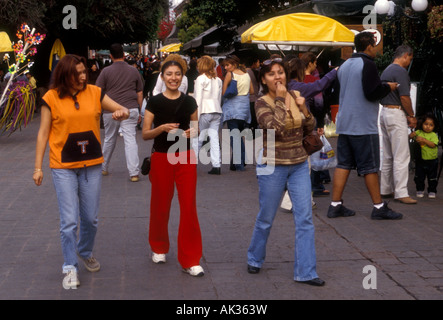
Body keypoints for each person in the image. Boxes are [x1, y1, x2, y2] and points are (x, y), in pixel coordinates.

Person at [32, 54, 129, 289]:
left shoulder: (95, 93)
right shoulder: (51, 98)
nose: (84, 76)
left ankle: (85, 251)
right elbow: (43, 133)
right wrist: (37, 167)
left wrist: (120, 113)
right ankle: (69, 266)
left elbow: (122, 110)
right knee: (68, 221)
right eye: (78, 73)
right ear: (66, 75)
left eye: (85, 71)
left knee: (90, 219)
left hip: (92, 165)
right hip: (63, 167)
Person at [247, 58, 325, 286]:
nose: (277, 77)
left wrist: (303, 108)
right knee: (266, 218)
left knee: (305, 219)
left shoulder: (294, 96)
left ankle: (306, 272)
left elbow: (309, 127)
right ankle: (254, 257)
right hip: (272, 166)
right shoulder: (261, 102)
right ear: (263, 79)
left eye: (280, 73)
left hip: (299, 163)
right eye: (271, 74)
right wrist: (282, 98)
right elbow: (275, 128)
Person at [327, 31, 403, 220]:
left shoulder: (345, 65)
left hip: (345, 123)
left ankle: (335, 205)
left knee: (343, 164)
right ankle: (378, 207)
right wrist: (388, 87)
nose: (376, 49)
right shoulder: (367, 64)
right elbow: (371, 92)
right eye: (375, 45)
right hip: (362, 124)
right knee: (369, 167)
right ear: (369, 46)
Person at [142, 59, 204, 277]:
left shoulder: (189, 102)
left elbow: (196, 129)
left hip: (185, 157)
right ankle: (158, 247)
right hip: (161, 157)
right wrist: (161, 128)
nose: (173, 78)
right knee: (160, 204)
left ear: (182, 77)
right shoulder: (154, 102)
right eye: (169, 74)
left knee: (188, 207)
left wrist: (191, 133)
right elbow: (145, 133)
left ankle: (191, 259)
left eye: (177, 74)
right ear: (162, 76)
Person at [96, 43, 144, 182]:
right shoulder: (133, 71)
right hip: (130, 108)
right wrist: (139, 110)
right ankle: (134, 173)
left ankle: (103, 168)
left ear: (111, 56)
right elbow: (139, 92)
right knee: (130, 140)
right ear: (124, 55)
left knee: (109, 138)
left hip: (110, 110)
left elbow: (98, 92)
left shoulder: (105, 71)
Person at [380, 45, 417, 204]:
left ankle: (385, 188)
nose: (409, 61)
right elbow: (405, 97)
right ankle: (401, 192)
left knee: (388, 154)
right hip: (396, 113)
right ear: (406, 56)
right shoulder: (401, 72)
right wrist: (411, 115)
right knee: (401, 155)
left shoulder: (387, 70)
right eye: (410, 58)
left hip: (384, 112)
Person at [222, 55, 254, 171]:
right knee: (238, 136)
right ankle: (235, 163)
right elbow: (252, 91)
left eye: (227, 65)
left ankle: (240, 163)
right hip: (244, 109)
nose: (225, 67)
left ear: (234, 64)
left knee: (234, 137)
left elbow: (224, 92)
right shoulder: (247, 75)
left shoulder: (230, 75)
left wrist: (232, 89)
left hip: (233, 109)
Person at [194, 55, 223, 175]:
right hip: (216, 110)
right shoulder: (218, 80)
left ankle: (192, 164)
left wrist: (195, 118)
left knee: (197, 139)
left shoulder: (200, 78)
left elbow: (198, 100)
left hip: (204, 111)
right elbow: (219, 97)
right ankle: (216, 165)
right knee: (214, 138)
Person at [410, 114, 440, 199]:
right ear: (422, 124)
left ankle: (432, 190)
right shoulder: (419, 132)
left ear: (434, 127)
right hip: (420, 159)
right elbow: (411, 135)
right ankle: (420, 189)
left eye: (431, 125)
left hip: (432, 160)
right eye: (426, 124)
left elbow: (433, 145)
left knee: (432, 178)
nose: (428, 127)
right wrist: (411, 135)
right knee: (419, 176)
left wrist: (424, 140)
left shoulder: (434, 135)